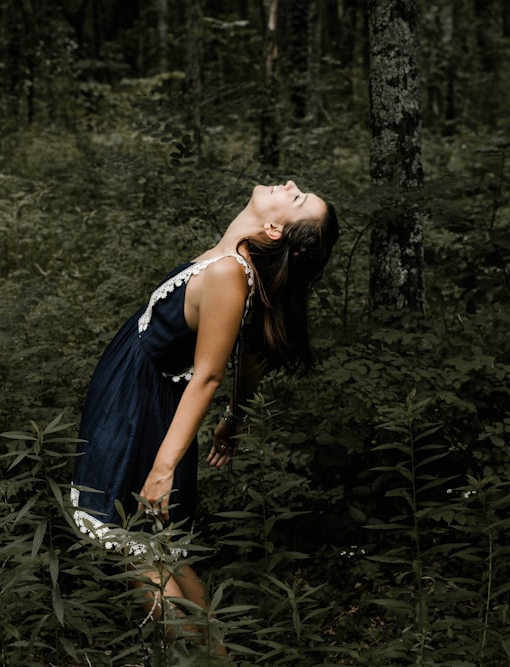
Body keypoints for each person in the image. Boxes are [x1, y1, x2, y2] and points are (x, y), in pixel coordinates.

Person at [69, 180, 339, 639]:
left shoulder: (228, 273)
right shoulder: (239, 263)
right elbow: (252, 349)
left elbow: (208, 375)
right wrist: (234, 418)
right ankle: (216, 656)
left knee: (135, 552)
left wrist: (163, 467)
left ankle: (192, 654)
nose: (291, 184)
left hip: (142, 413)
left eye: (297, 199)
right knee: (157, 552)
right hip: (138, 397)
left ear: (274, 228)